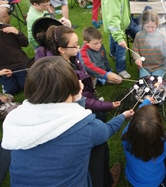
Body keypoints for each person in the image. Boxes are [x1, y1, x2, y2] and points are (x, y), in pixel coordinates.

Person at [1, 56, 134, 186]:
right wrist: (123, 115)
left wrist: (75, 96)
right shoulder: (86, 127)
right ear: (73, 87)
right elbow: (106, 131)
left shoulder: (16, 122)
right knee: (100, 144)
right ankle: (107, 182)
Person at [35, 24, 120, 122]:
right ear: (62, 49)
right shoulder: (60, 73)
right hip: (72, 107)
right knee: (101, 117)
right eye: (75, 45)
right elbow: (81, 99)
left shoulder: (71, 56)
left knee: (101, 113)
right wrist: (109, 105)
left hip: (83, 96)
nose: (79, 48)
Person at [101, 0, 142, 79]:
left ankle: (112, 53)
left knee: (113, 40)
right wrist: (120, 37)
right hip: (116, 25)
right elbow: (113, 16)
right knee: (121, 48)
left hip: (118, 24)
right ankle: (121, 69)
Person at [122, 97, 166, 186]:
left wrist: (145, 102)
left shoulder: (126, 137)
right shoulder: (164, 141)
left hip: (133, 178)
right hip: (155, 181)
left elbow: (134, 121)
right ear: (159, 128)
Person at [132, 9, 166, 78]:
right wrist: (137, 58)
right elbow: (135, 50)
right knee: (145, 82)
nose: (150, 29)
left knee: (156, 83)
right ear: (143, 24)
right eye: (147, 27)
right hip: (144, 67)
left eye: (152, 27)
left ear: (156, 24)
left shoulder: (162, 36)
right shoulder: (139, 36)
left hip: (159, 67)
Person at [0, 23, 29, 94]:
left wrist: (17, 32)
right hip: (4, 69)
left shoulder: (7, 28)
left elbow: (25, 43)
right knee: (11, 90)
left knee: (26, 86)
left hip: (20, 63)